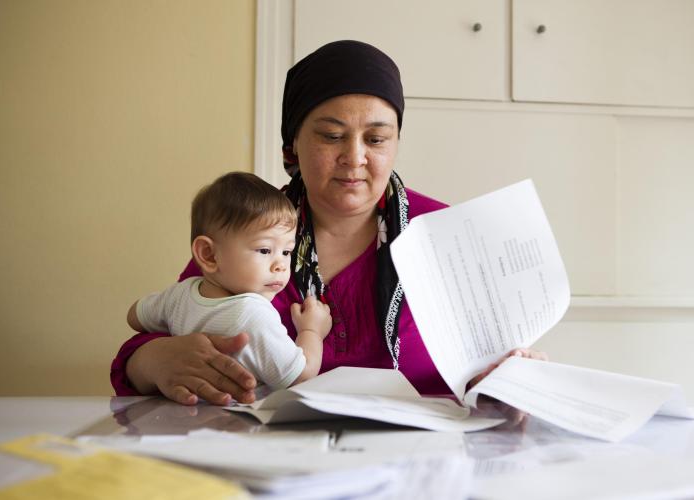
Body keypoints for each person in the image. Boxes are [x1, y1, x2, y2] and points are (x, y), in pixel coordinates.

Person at [111, 40, 546, 406]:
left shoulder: (447, 233)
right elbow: (151, 338)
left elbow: (488, 369)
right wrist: (154, 360)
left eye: (376, 139)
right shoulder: (246, 228)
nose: (354, 158)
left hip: (419, 463)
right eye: (332, 136)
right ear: (290, 147)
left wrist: (506, 382)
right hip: (270, 462)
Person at [126, 172, 332, 390]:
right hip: (246, 421)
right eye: (264, 250)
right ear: (209, 255)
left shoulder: (179, 295)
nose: (281, 265)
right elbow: (301, 376)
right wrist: (312, 331)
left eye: (287, 252)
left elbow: (134, 317)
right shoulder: (253, 313)